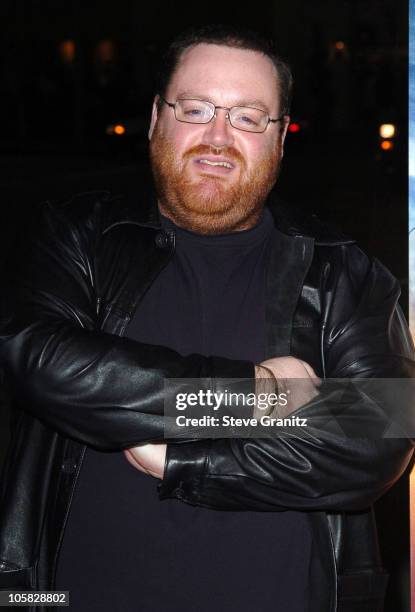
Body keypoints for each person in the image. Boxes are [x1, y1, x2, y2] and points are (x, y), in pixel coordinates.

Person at [0, 24, 413, 612]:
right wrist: (256, 393)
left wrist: (185, 460)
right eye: (196, 109)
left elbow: (379, 438)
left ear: (279, 140)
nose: (218, 137)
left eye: (248, 117)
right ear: (155, 118)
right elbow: (38, 359)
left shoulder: (343, 272)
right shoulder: (80, 237)